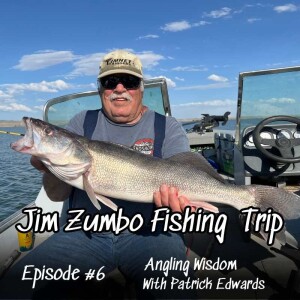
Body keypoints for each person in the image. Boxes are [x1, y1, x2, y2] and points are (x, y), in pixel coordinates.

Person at [0, 50, 196, 299]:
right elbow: (56, 195)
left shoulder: (167, 126)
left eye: (130, 81)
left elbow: (188, 174)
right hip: (83, 233)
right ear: (101, 89)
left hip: (151, 233)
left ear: (141, 88)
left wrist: (180, 204)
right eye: (110, 82)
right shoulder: (82, 122)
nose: (120, 88)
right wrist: (48, 165)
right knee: (16, 288)